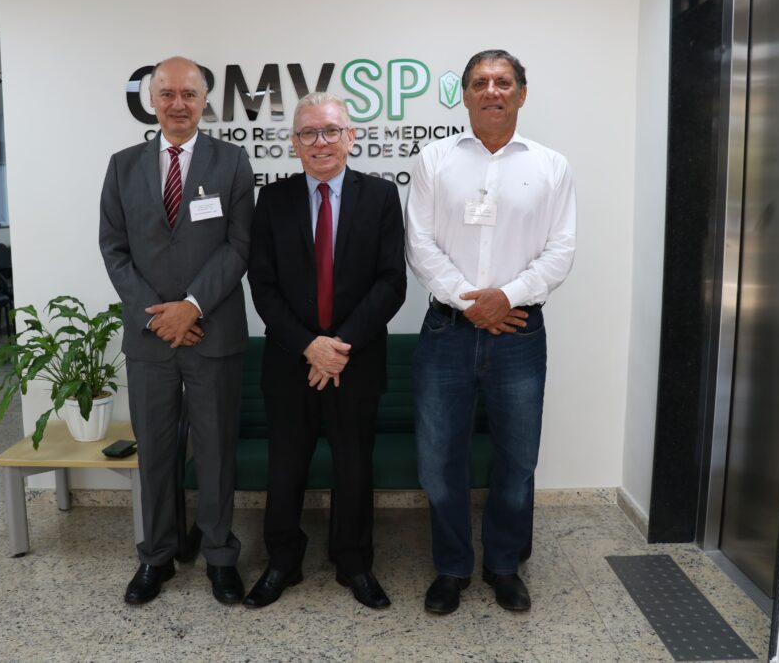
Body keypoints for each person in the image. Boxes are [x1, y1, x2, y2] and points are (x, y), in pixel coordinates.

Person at [404, 49, 576, 614]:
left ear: (522, 94)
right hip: (447, 332)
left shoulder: (552, 166)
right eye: (480, 82)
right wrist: (471, 302)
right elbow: (420, 244)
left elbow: (561, 250)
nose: (492, 91)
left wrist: (508, 298)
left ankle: (504, 566)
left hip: (520, 333)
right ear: (467, 95)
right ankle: (452, 569)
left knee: (517, 459)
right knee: (438, 458)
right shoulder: (434, 161)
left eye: (503, 82)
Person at [99, 56, 254, 606]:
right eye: (167, 93)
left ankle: (218, 557)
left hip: (213, 332)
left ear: (205, 99)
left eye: (189, 93)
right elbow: (115, 251)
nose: (178, 103)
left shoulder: (233, 162)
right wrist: (159, 314)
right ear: (151, 100)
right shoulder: (121, 166)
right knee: (158, 451)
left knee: (214, 451)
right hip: (149, 338)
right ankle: (158, 557)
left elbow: (239, 246)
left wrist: (190, 307)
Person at [244, 92, 406, 609]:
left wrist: (338, 348)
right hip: (290, 362)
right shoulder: (273, 200)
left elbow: (391, 283)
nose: (321, 142)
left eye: (331, 130)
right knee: (285, 467)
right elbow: (263, 285)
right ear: (293, 144)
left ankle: (355, 563)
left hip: (355, 362)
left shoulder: (381, 198)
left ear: (350, 137)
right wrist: (310, 346)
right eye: (309, 133)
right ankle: (282, 563)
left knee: (354, 468)